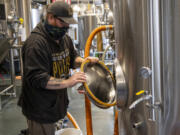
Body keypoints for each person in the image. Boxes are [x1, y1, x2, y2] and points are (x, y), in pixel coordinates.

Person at [18, 1, 98, 135]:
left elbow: (72, 58)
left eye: (68, 24)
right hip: (40, 109)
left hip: (57, 104)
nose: (66, 27)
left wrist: (85, 62)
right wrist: (69, 82)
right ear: (50, 17)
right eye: (63, 23)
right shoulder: (35, 44)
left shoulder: (64, 39)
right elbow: (38, 79)